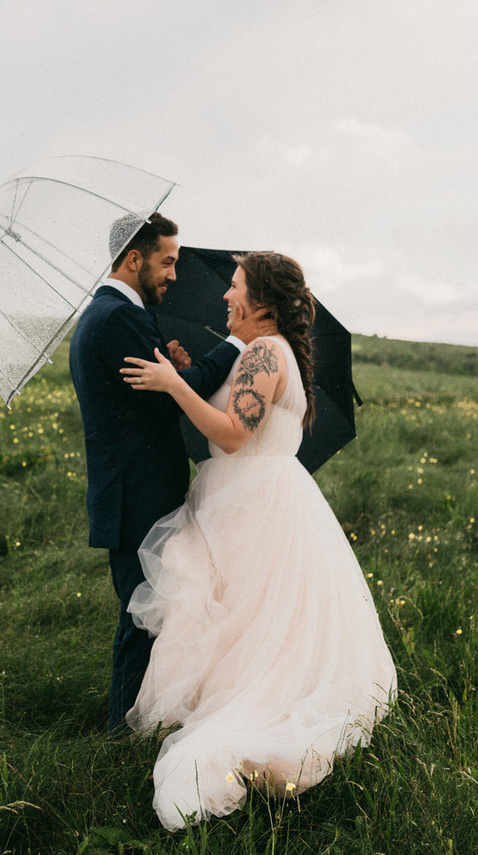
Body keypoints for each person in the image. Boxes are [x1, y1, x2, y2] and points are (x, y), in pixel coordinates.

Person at [121, 251, 398, 830]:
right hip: (248, 498)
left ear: (263, 304)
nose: (226, 295)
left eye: (236, 286)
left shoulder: (266, 351)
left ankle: (237, 718)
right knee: (246, 619)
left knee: (248, 617)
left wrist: (174, 385)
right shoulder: (263, 353)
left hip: (252, 503)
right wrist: (190, 369)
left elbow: (232, 434)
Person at [69, 214, 273, 730]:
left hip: (130, 490)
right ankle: (120, 734)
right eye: (167, 261)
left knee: (147, 615)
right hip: (136, 493)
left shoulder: (109, 314)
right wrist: (234, 344)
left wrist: (176, 371)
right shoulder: (117, 318)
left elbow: (154, 393)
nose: (174, 275)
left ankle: (130, 724)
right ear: (134, 259)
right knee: (142, 618)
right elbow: (166, 405)